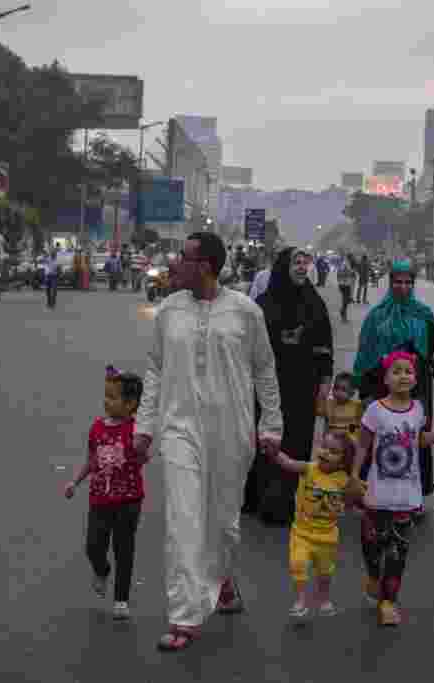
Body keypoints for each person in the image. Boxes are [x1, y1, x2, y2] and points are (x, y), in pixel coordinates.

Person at [133, 231, 283, 651]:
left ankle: (221, 581)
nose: (174, 262)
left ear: (206, 266)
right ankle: (184, 616)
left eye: (183, 257)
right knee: (183, 520)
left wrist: (271, 426)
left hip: (232, 431)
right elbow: (156, 371)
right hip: (180, 429)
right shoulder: (168, 311)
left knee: (222, 524)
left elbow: (265, 372)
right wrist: (144, 428)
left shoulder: (245, 312)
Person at [351, 351, 434, 626]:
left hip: (407, 495)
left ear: (416, 378)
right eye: (396, 371)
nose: (403, 376)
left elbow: (419, 441)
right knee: (372, 545)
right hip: (376, 492)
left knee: (398, 552)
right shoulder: (375, 409)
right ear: (385, 378)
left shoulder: (419, 409)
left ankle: (388, 603)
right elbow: (362, 444)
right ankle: (373, 575)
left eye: (408, 371)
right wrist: (353, 476)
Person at [246, 247, 334, 526]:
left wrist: (323, 388)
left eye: (304, 262)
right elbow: (246, 349)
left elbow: (325, 350)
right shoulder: (262, 304)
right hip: (267, 388)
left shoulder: (314, 303)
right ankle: (257, 497)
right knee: (264, 440)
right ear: (283, 266)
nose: (300, 267)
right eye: (295, 262)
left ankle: (283, 502)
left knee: (296, 443)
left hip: (301, 388)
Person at [354, 260, 434, 502]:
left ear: (413, 284)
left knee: (415, 436)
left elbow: (433, 350)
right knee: (383, 437)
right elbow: (365, 352)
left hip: (417, 385)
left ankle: (416, 494)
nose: (403, 287)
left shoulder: (424, 315)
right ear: (390, 283)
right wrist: (364, 390)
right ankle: (373, 491)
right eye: (398, 282)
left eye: (408, 282)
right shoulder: (376, 316)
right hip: (383, 386)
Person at [63, 367, 146, 621]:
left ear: (131, 404)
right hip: (99, 500)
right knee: (93, 545)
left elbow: (144, 457)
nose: (106, 401)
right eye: (106, 396)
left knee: (125, 550)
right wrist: (75, 482)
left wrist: (142, 451)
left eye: (113, 397)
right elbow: (91, 460)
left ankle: (121, 600)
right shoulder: (97, 428)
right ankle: (101, 569)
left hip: (129, 502)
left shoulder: (136, 430)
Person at [268, 430, 356, 620]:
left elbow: (354, 499)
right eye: (323, 447)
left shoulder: (345, 480)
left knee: (325, 573)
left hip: (328, 537)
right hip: (302, 532)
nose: (324, 452)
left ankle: (323, 598)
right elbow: (288, 463)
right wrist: (275, 453)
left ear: (342, 461)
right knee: (298, 564)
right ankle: (300, 600)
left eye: (332, 451)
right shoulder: (309, 469)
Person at [316, 371, 364, 445]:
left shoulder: (356, 407)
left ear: (352, 393)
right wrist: (322, 395)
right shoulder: (329, 403)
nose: (338, 392)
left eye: (343, 390)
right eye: (336, 388)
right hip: (329, 442)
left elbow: (355, 425)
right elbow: (319, 411)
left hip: (346, 443)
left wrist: (348, 435)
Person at [336, 257, 357, 323]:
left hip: (342, 285)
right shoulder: (349, 268)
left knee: (345, 300)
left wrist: (339, 282)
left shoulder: (341, 267)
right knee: (345, 301)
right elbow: (353, 277)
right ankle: (343, 314)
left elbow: (338, 276)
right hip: (346, 286)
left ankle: (343, 313)